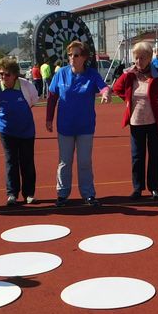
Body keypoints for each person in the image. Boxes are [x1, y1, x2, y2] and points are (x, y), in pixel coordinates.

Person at [112, 42, 158, 200]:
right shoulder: (129, 74)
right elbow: (117, 88)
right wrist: (127, 99)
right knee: (137, 157)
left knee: (155, 156)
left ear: (149, 58)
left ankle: (155, 189)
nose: (138, 61)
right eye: (136, 58)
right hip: (136, 121)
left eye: (142, 58)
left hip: (155, 123)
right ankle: (137, 189)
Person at [45, 40, 110, 206]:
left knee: (84, 162)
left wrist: (105, 93)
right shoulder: (61, 73)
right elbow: (52, 97)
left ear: (84, 57)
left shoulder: (92, 74)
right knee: (64, 162)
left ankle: (88, 194)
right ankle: (62, 194)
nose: (72, 58)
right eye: (69, 55)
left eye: (76, 55)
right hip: (65, 126)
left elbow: (103, 87)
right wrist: (49, 118)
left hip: (85, 127)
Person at [0, 57, 38, 205]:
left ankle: (29, 194)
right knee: (11, 161)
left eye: (7, 74)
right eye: (1, 74)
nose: (4, 77)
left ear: (15, 75)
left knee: (27, 161)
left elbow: (33, 100)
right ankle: (12, 194)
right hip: (6, 131)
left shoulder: (26, 86)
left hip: (26, 130)